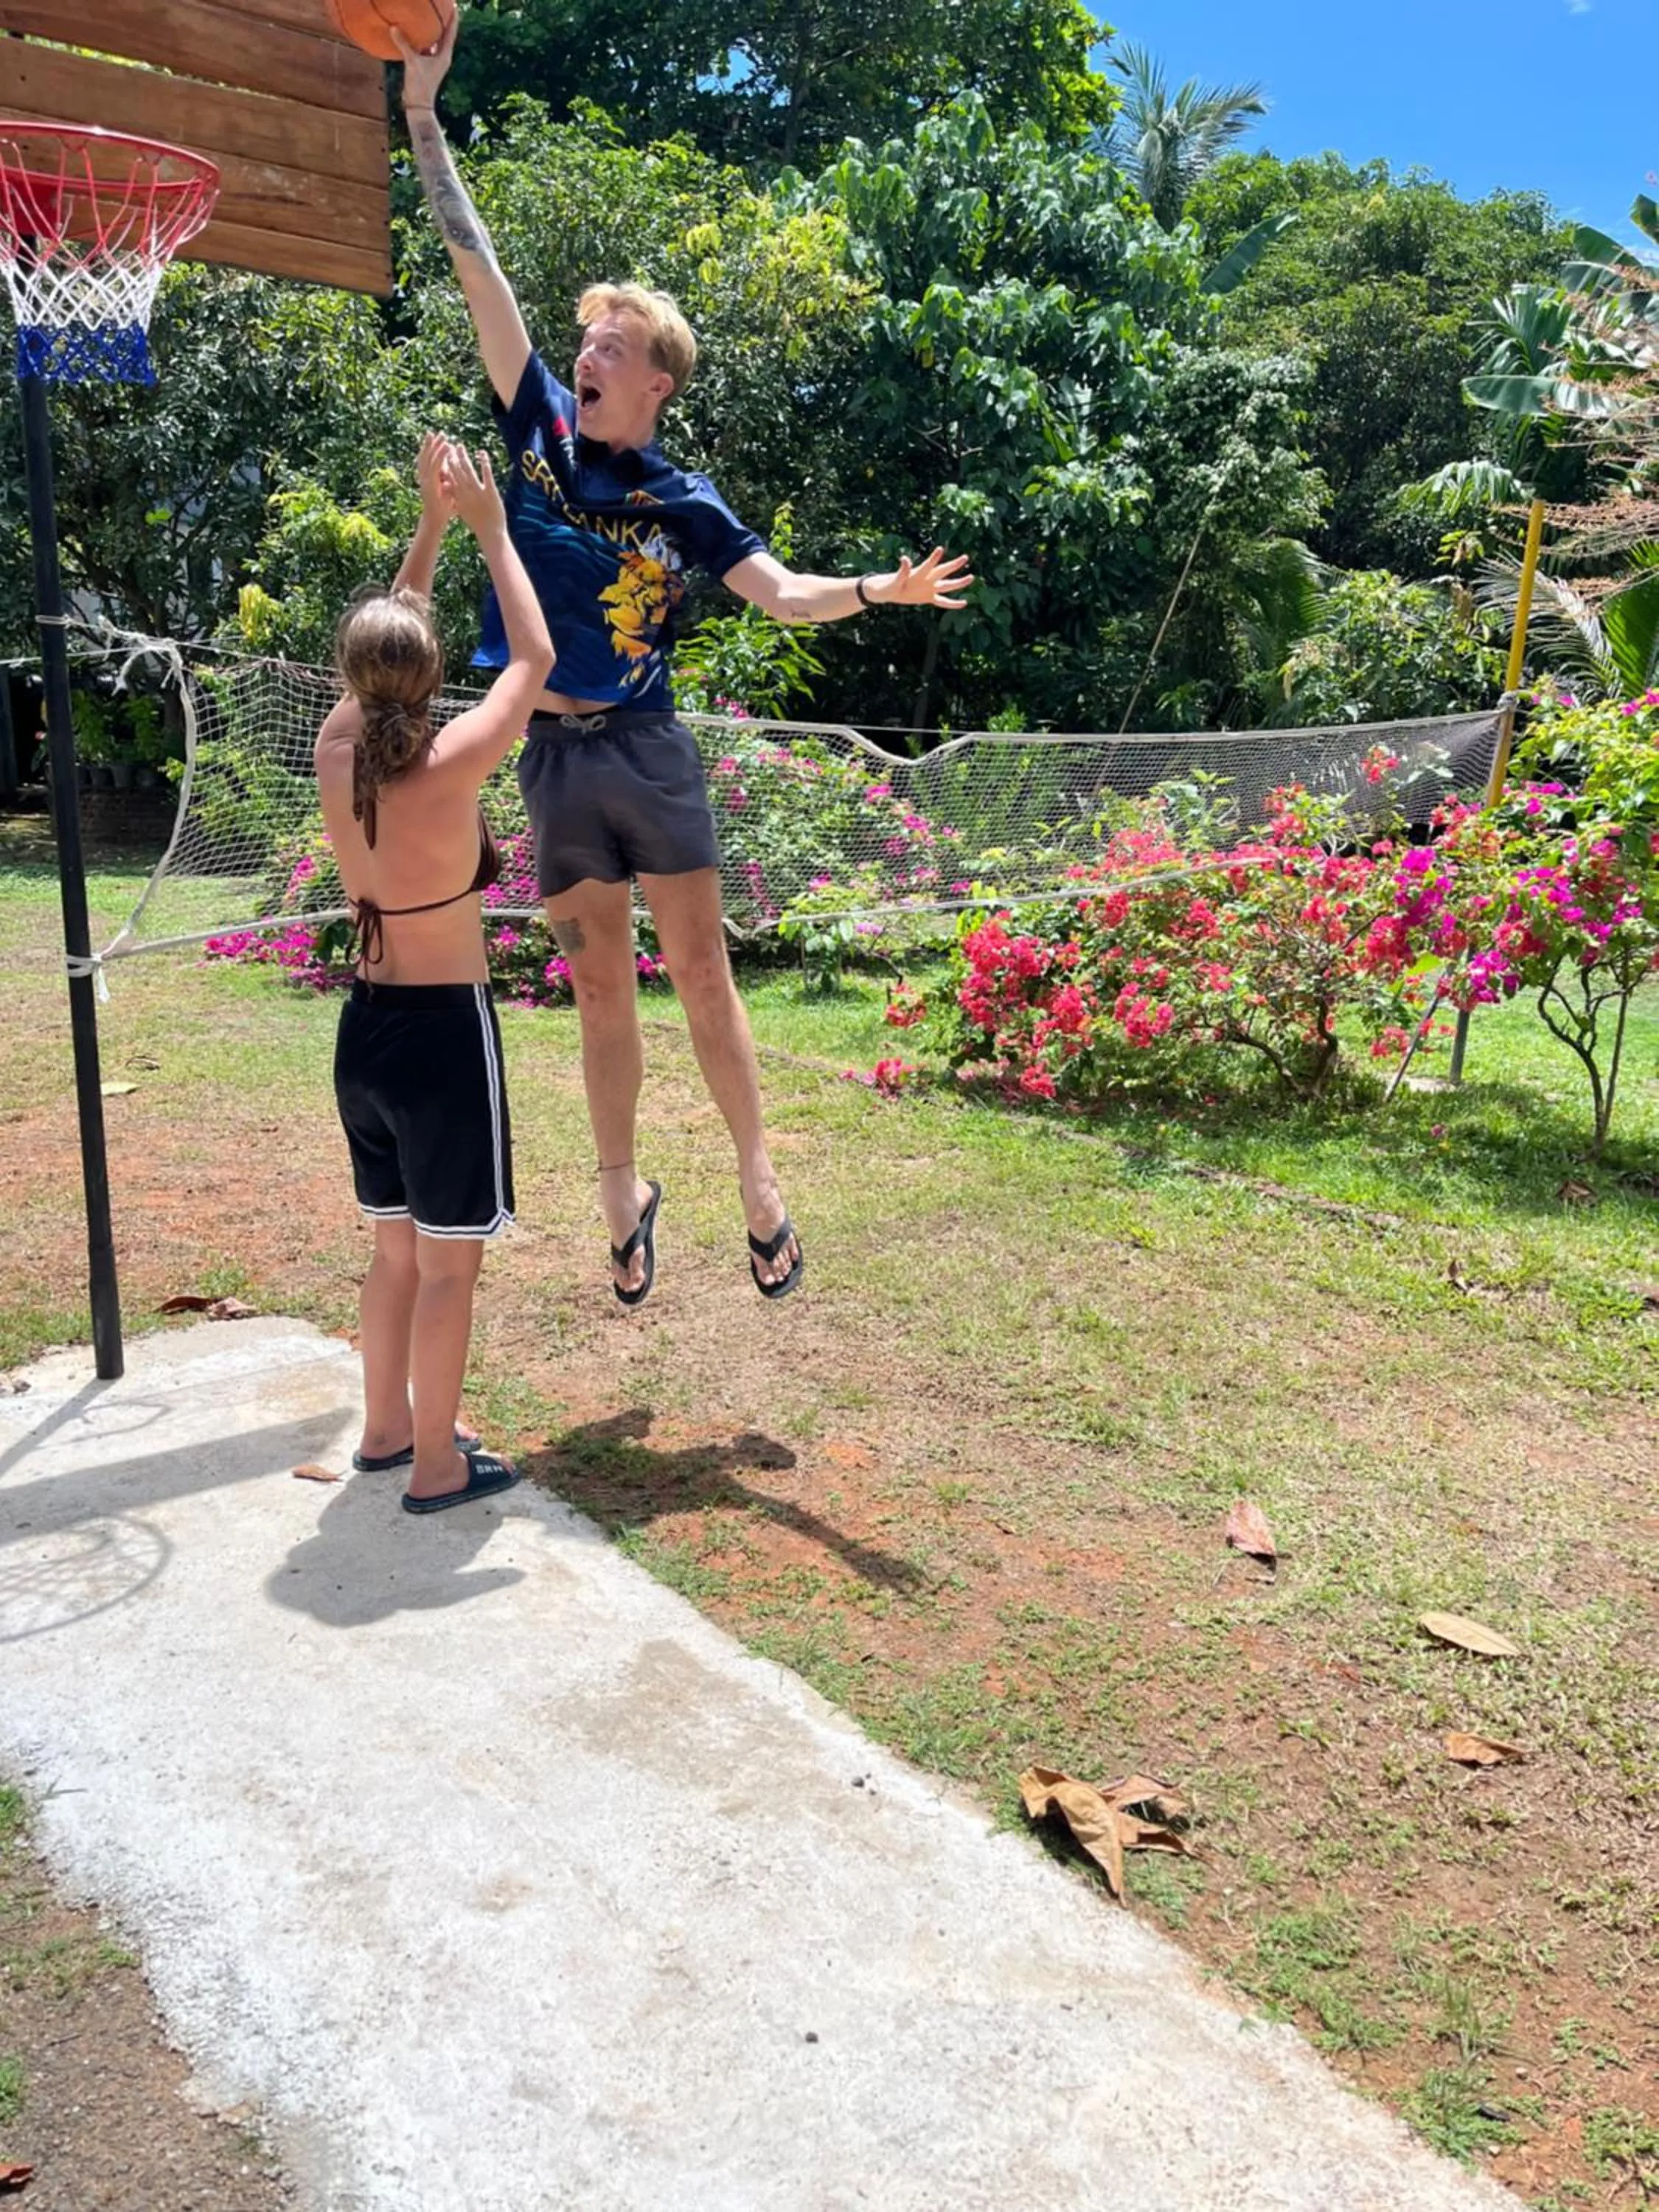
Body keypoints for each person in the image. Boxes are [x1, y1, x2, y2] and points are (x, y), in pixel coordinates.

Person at [397, 18, 974, 1308]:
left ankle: (759, 1186)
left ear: (656, 379)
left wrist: (879, 587)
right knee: (601, 986)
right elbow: (476, 271)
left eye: (608, 348)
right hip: (547, 752)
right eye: (581, 344)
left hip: (647, 752)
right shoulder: (538, 431)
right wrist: (425, 122)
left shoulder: (684, 497)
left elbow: (776, 596)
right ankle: (620, 1192)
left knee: (702, 977)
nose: (581, 356)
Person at [316, 432, 554, 1513]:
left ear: (352, 676)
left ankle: (384, 1431)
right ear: (422, 672)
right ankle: (438, 1465)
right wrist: (491, 533)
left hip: (362, 1035)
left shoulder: (335, 747)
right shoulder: (450, 759)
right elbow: (534, 662)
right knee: (451, 1263)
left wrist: (428, 528)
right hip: (443, 1037)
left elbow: (390, 644)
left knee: (395, 1254)